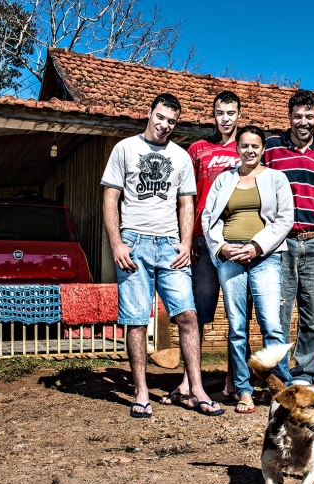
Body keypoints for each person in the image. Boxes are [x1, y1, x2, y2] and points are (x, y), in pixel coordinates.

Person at [101, 93, 224, 417]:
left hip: (170, 246)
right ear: (149, 113)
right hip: (134, 243)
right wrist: (117, 243)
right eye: (160, 117)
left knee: (188, 316)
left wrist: (185, 242)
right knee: (137, 320)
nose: (165, 125)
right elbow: (111, 198)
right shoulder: (125, 149)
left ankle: (196, 390)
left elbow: (186, 203)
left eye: (171, 121)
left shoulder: (181, 156)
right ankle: (141, 393)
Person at [202, 125, 294, 413]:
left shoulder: (276, 178)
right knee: (237, 327)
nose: (250, 150)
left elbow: (285, 219)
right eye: (244, 146)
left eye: (255, 146)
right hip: (230, 258)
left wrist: (256, 246)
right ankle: (244, 390)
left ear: (263, 149)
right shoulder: (224, 179)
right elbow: (208, 217)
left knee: (272, 326)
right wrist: (221, 247)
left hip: (265, 257)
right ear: (237, 148)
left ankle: (281, 389)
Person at [161, 90, 241, 406]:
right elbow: (186, 197)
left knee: (237, 314)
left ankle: (234, 380)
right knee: (198, 314)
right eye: (220, 112)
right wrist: (187, 238)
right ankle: (187, 381)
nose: (225, 118)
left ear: (238, 115)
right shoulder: (198, 149)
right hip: (202, 241)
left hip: (236, 241)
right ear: (213, 115)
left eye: (231, 112)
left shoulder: (247, 147)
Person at [263, 89, 314, 386]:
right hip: (280, 243)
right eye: (298, 116)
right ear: (289, 117)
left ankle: (305, 375)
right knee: (278, 315)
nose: (303, 122)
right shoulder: (271, 147)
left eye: (309, 116)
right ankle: (280, 376)